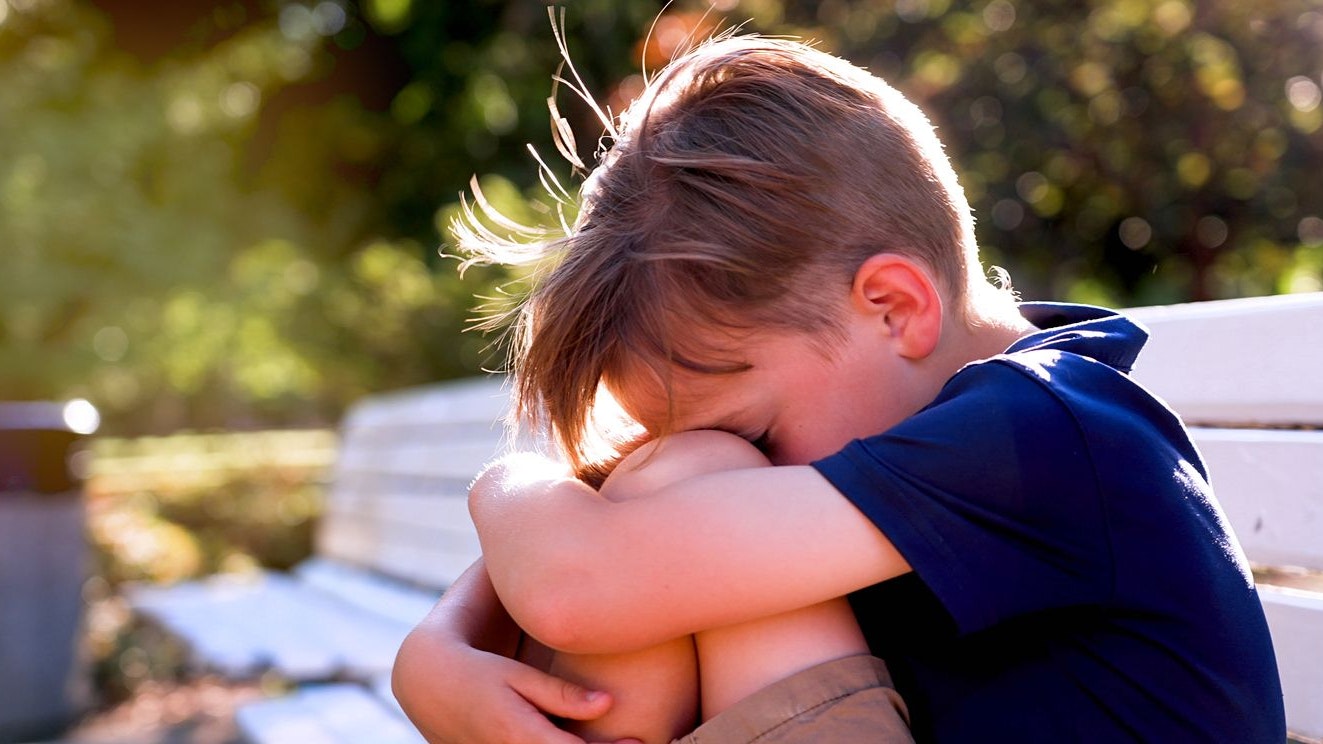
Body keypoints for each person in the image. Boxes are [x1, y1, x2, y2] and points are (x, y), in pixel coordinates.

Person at [392, 33, 1286, 743]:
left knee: (682, 481)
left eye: (759, 432)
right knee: (669, 492)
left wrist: (498, 487)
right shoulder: (934, 427)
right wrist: (437, 649)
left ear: (893, 308)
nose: (753, 462)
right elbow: (582, 560)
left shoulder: (1045, 432)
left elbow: (574, 584)